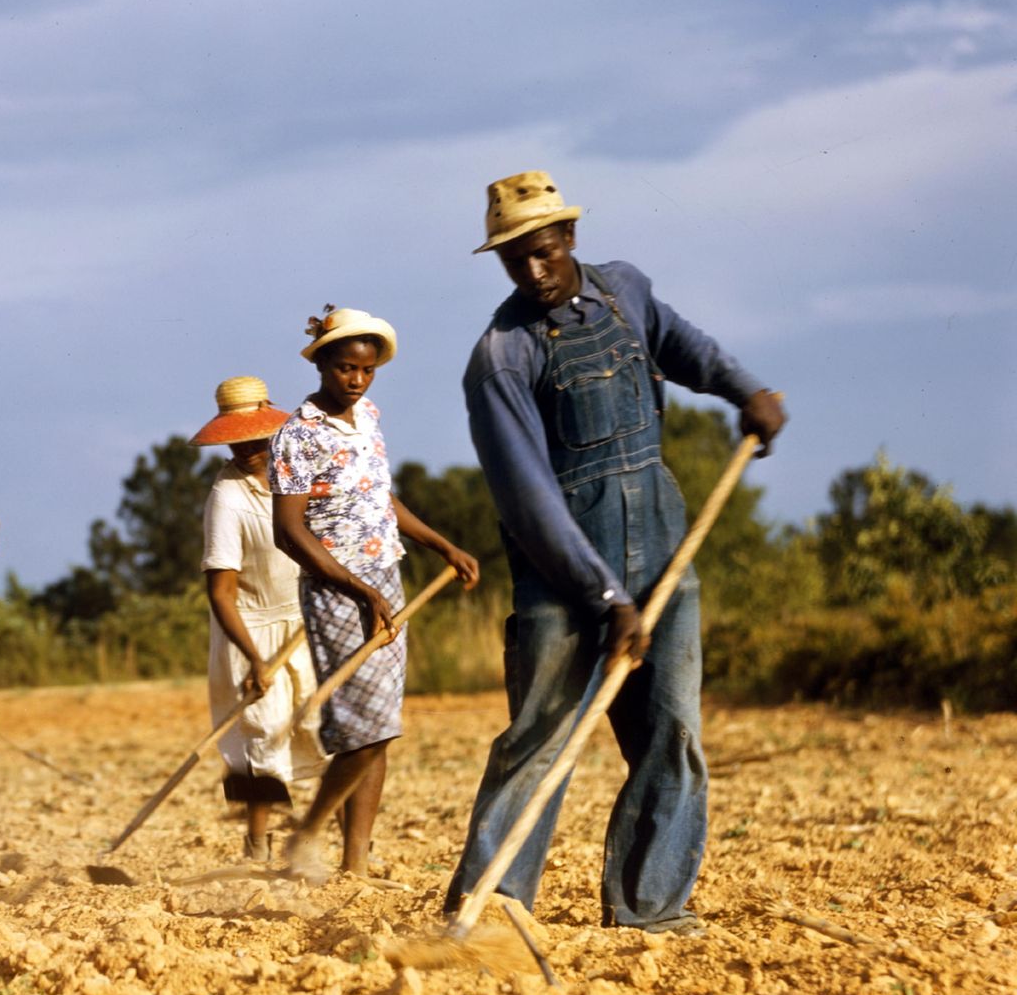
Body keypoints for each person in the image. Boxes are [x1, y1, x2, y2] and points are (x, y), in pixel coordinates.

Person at [443, 171, 786, 936]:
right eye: (514, 260)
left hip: (663, 546)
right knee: (540, 739)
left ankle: (650, 906)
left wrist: (744, 390)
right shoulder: (501, 356)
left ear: (568, 237)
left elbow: (684, 346)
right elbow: (529, 500)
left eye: (543, 251)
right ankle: (491, 913)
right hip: (561, 578)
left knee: (673, 731)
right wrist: (605, 597)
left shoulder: (625, 292)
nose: (532, 271)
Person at [269, 307, 480, 882]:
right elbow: (289, 531)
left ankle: (355, 862)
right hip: (336, 591)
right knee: (364, 729)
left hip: (385, 578)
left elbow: (379, 500)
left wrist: (442, 545)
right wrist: (355, 587)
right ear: (321, 365)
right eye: (344, 369)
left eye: (365, 371)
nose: (356, 380)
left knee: (381, 725)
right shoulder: (299, 435)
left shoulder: (369, 419)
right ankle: (307, 835)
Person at [191, 376, 325, 863]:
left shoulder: (298, 474)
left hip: (304, 621)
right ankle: (257, 847)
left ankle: (330, 840)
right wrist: (254, 658)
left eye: (257, 436)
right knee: (262, 736)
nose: (249, 447)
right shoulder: (228, 497)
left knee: (321, 725)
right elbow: (221, 593)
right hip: (250, 630)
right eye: (238, 438)